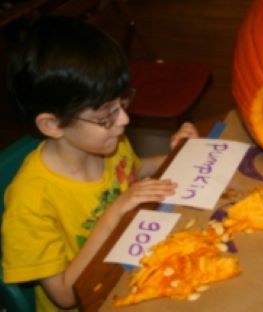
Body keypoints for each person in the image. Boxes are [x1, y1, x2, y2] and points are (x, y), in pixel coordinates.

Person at [1, 16, 198, 311]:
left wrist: (174, 154)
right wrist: (115, 212)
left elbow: (131, 172)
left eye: (122, 103)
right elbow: (66, 296)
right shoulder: (30, 204)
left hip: (130, 263)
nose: (124, 120)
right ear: (53, 124)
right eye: (106, 114)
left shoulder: (108, 143)